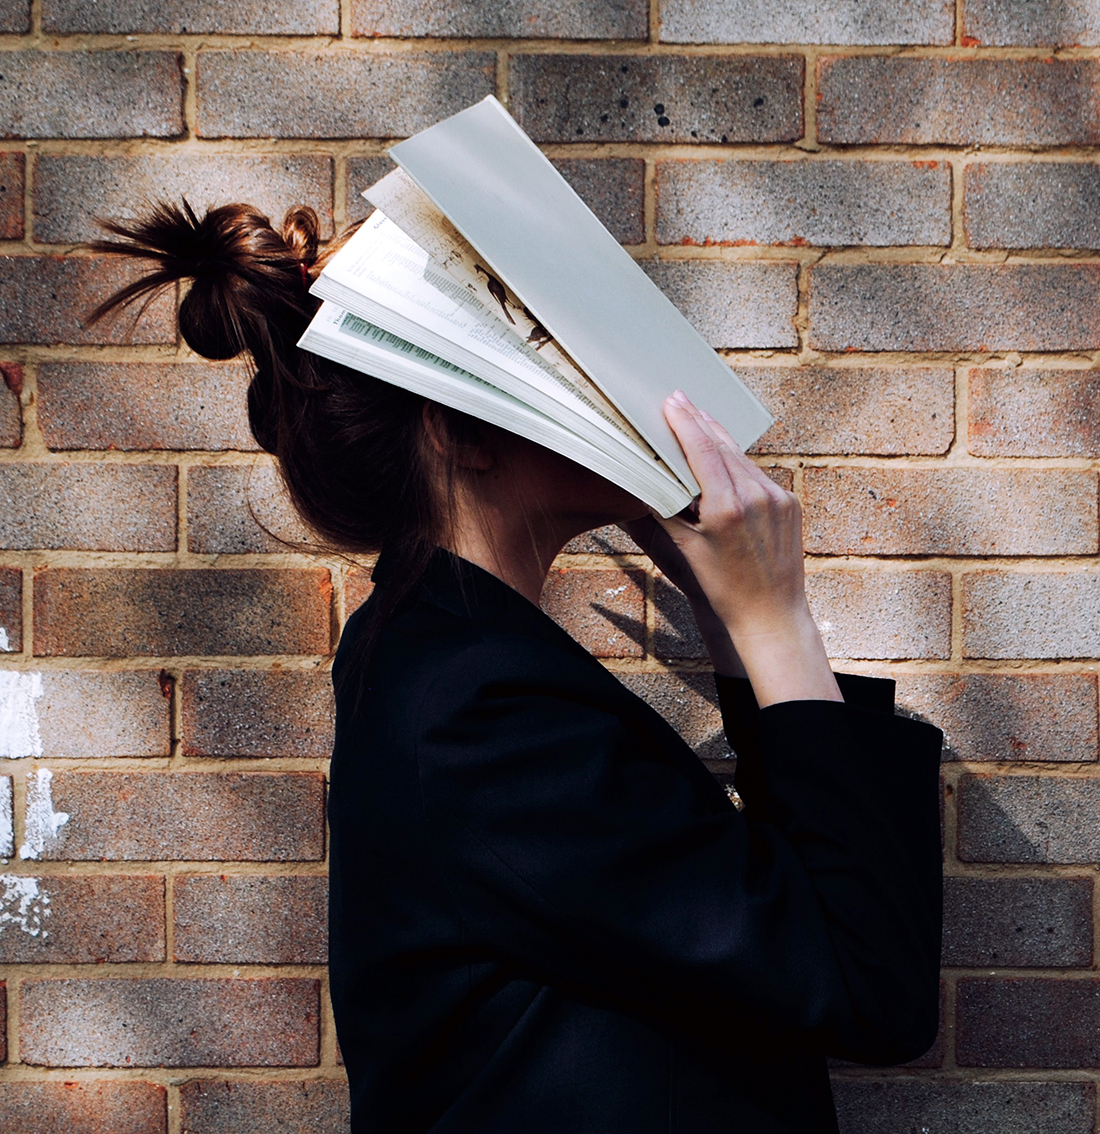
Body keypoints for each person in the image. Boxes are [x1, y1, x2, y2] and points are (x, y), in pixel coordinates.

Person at [90, 201, 943, 1133]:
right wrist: (775, 620)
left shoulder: (452, 670)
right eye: (546, 347)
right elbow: (866, 982)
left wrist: (728, 616)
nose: (603, 378)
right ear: (464, 429)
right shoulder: (475, 715)